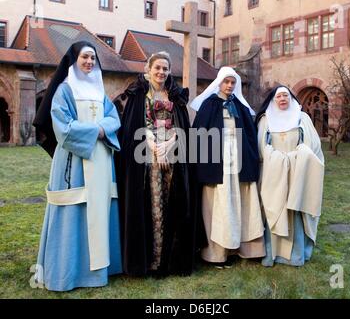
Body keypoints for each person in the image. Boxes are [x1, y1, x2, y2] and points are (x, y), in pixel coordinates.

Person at [32, 41, 122, 291]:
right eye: (85, 57)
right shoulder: (64, 91)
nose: (89, 62)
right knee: (75, 208)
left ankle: (102, 269)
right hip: (74, 162)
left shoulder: (99, 92)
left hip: (102, 161)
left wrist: (103, 128)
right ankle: (69, 271)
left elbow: (113, 118)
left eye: (93, 58)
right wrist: (98, 130)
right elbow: (63, 128)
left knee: (101, 209)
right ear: (73, 60)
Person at [115, 51, 199, 277]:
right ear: (148, 69)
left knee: (173, 201)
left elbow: (183, 126)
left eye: (165, 68)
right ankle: (152, 260)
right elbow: (137, 125)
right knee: (152, 205)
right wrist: (154, 147)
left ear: (170, 71)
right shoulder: (138, 94)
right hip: (147, 157)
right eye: (157, 68)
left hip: (173, 154)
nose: (161, 72)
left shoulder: (176, 95)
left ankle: (171, 261)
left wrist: (170, 144)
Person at [190, 67, 265, 269]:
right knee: (218, 205)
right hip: (217, 162)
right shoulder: (209, 105)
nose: (230, 85)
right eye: (226, 82)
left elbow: (250, 136)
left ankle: (243, 249)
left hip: (239, 162)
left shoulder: (240, 107)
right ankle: (216, 253)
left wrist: (250, 158)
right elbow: (199, 134)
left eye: (233, 82)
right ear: (219, 83)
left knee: (240, 202)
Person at [256, 85, 325, 267]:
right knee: (274, 208)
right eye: (278, 97)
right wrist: (277, 159)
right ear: (273, 100)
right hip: (273, 173)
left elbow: (312, 145)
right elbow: (261, 147)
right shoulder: (266, 120)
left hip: (297, 171)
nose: (282, 99)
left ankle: (295, 255)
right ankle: (272, 253)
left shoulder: (302, 118)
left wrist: (296, 157)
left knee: (294, 209)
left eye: (285, 95)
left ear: (291, 98)